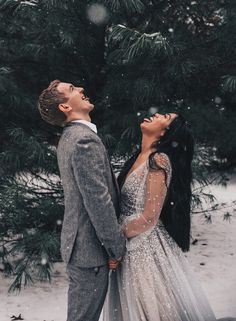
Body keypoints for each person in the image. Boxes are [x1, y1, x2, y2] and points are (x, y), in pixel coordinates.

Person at [102, 112, 218, 321]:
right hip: (130, 244)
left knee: (154, 309)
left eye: (164, 116)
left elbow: (149, 217)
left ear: (166, 132)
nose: (154, 114)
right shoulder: (138, 156)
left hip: (144, 247)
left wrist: (114, 236)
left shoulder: (159, 160)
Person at [38, 80, 126, 321]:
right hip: (90, 250)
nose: (81, 89)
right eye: (73, 90)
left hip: (82, 246)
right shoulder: (82, 140)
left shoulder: (71, 136)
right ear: (65, 107)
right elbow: (97, 199)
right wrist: (115, 246)